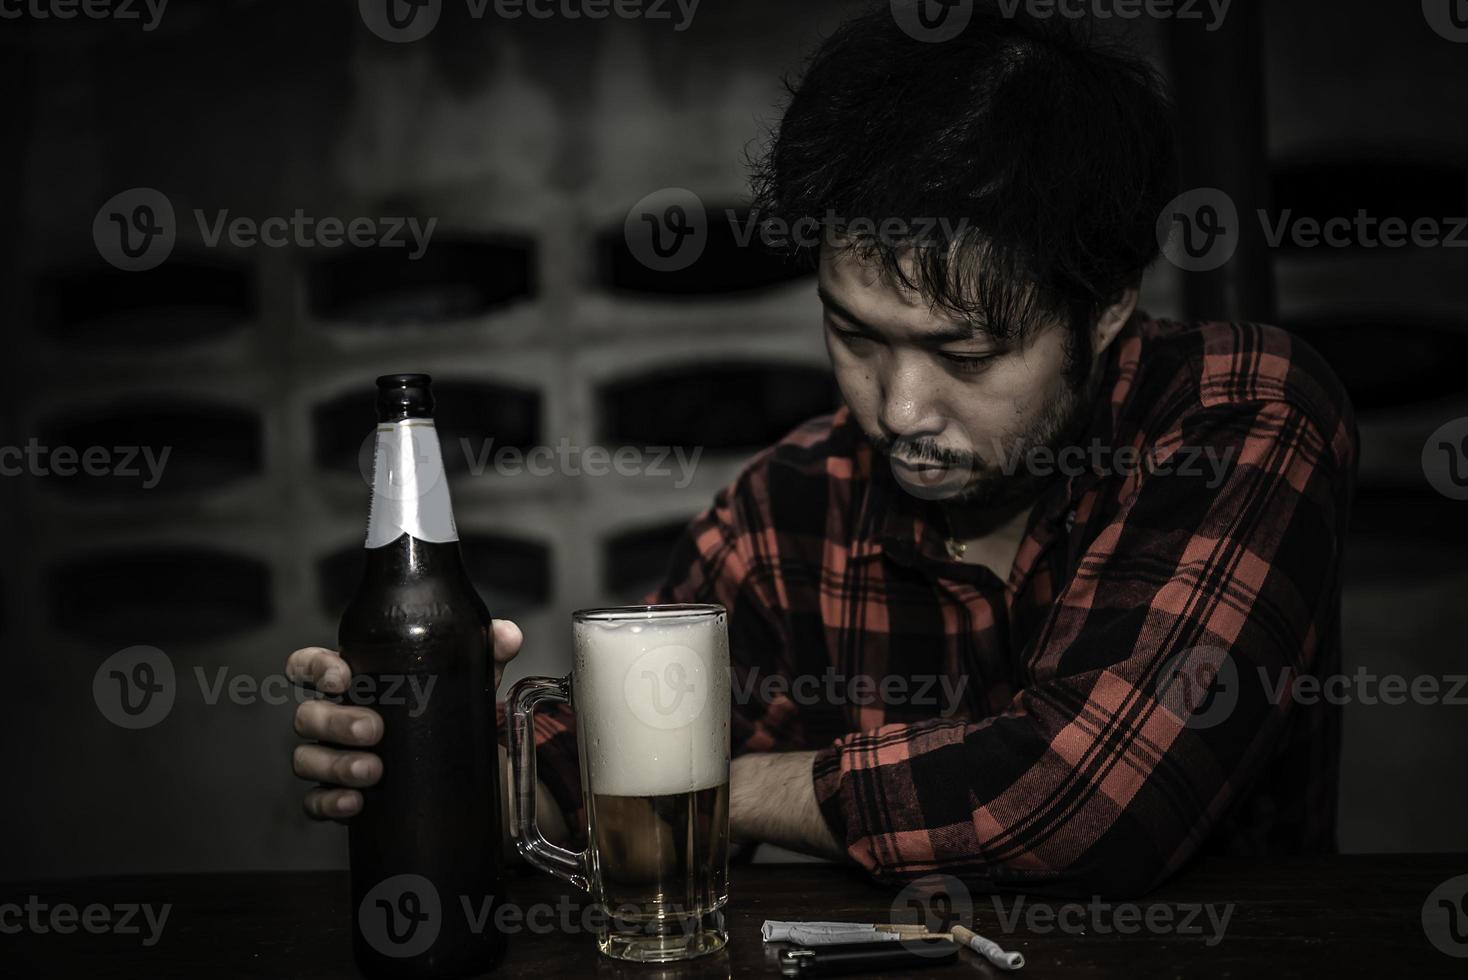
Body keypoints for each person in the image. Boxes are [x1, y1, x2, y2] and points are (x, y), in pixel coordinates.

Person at [288, 4, 1356, 896]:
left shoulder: (1239, 414)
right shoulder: (787, 505)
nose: (897, 409)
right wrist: (446, 764)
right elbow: (586, 784)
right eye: (854, 335)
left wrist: (710, 780)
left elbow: (1083, 794)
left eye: (965, 354)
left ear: (1110, 307)